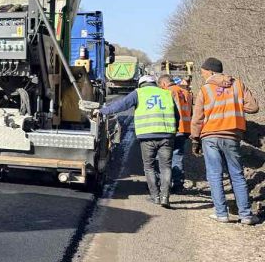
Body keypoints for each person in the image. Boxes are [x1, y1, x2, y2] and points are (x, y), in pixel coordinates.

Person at [191, 57, 260, 225]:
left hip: (210, 136)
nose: (202, 75)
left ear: (211, 71)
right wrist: (234, 104)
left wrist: (195, 139)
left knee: (214, 175)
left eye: (203, 72)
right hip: (232, 135)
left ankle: (221, 214)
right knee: (236, 174)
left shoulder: (205, 89)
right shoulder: (238, 84)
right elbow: (253, 107)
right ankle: (245, 215)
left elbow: (197, 118)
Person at [96, 75, 179, 207]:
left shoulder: (138, 93)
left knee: (149, 167)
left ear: (141, 84)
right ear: (154, 83)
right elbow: (176, 115)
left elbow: (121, 105)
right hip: (167, 136)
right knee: (166, 167)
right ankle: (165, 197)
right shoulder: (166, 94)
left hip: (147, 137)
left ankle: (155, 197)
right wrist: (173, 131)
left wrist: (102, 111)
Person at [159, 74, 192, 192]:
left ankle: (163, 186)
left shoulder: (167, 92)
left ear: (163, 84)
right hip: (185, 130)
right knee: (177, 156)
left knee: (164, 157)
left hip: (172, 129)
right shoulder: (186, 92)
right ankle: (178, 185)